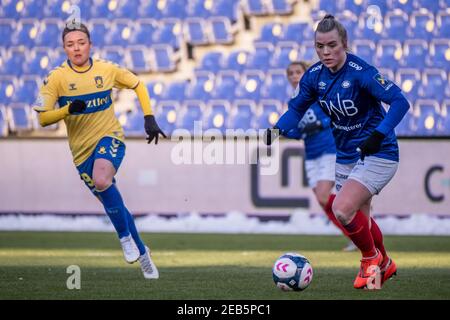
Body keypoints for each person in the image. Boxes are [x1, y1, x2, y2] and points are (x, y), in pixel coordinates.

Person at [268, 15, 409, 289]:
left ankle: (370, 258)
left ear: (344, 43)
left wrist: (379, 134)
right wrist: (275, 130)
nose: (325, 52)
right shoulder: (314, 76)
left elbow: (400, 101)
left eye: (332, 45)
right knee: (361, 219)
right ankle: (383, 266)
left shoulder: (361, 72)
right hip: (346, 156)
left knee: (341, 209)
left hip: (378, 153)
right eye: (319, 46)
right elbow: (297, 108)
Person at [33, 23, 166, 279]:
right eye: (70, 44)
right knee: (112, 200)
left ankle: (124, 237)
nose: (76, 48)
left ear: (90, 44)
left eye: (81, 42)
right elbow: (42, 119)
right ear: (64, 49)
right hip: (81, 152)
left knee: (102, 179)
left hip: (110, 137)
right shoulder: (56, 78)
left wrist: (149, 117)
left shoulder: (106, 69)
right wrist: (67, 111)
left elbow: (138, 84)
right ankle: (142, 251)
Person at [284, 61, 356, 252]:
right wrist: (285, 132)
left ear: (306, 74)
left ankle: (357, 227)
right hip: (311, 155)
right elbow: (300, 132)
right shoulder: (294, 102)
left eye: (298, 72)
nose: (293, 76)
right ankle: (354, 235)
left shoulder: (318, 94)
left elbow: (333, 116)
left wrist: (317, 124)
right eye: (290, 73)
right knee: (322, 200)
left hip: (328, 150)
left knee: (325, 197)